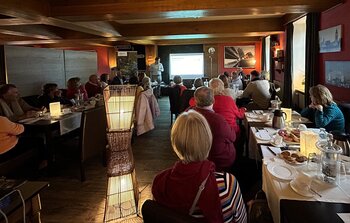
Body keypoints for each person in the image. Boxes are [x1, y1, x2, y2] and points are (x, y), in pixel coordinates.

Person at [152, 111, 247, 223]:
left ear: (175, 143)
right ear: (208, 141)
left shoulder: (159, 182)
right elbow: (242, 220)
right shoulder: (227, 184)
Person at [190, 86, 236, 171]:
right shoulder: (218, 120)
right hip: (217, 160)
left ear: (195, 100)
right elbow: (233, 137)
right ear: (213, 100)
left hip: (193, 158)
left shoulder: (187, 115)